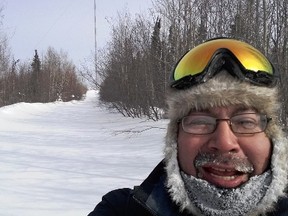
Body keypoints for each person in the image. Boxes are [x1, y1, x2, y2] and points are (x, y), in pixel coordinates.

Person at [88, 38, 288, 216]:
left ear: (272, 139)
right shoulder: (122, 210)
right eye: (200, 122)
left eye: (245, 122)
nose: (224, 142)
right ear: (175, 140)